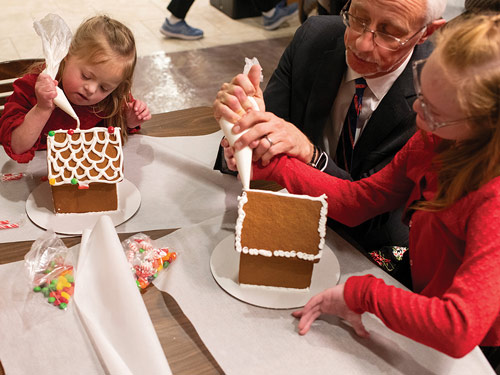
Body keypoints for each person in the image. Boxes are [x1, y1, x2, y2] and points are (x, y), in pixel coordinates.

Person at [247, 13, 500, 362]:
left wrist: (364, 293)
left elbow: (458, 328)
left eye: (433, 110)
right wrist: (273, 164)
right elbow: (359, 200)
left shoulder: (493, 201)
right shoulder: (433, 139)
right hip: (422, 288)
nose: (415, 108)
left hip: (483, 346)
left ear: (486, 125)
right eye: (421, 88)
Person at [213, 0, 446, 264]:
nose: (361, 43)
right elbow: (262, 145)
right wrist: (242, 131)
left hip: (369, 255)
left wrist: (311, 155)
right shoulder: (315, 38)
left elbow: (370, 213)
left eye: (388, 32)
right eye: (358, 17)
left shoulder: (438, 102)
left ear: (425, 33)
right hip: (290, 221)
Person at [0, 15, 151, 163]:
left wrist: (128, 120)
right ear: (68, 54)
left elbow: (115, 135)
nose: (91, 89)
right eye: (86, 76)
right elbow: (17, 146)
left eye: (104, 88)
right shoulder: (31, 88)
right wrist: (41, 109)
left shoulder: (113, 99)